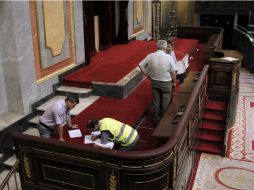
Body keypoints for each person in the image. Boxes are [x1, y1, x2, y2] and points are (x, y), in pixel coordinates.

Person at [139, 40, 177, 125]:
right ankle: (164, 121)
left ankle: (156, 119)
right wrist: (174, 82)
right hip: (166, 82)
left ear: (157, 47)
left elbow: (140, 65)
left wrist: (147, 75)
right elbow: (173, 72)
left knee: (156, 101)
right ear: (165, 47)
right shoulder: (168, 57)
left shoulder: (150, 56)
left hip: (154, 82)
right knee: (165, 102)